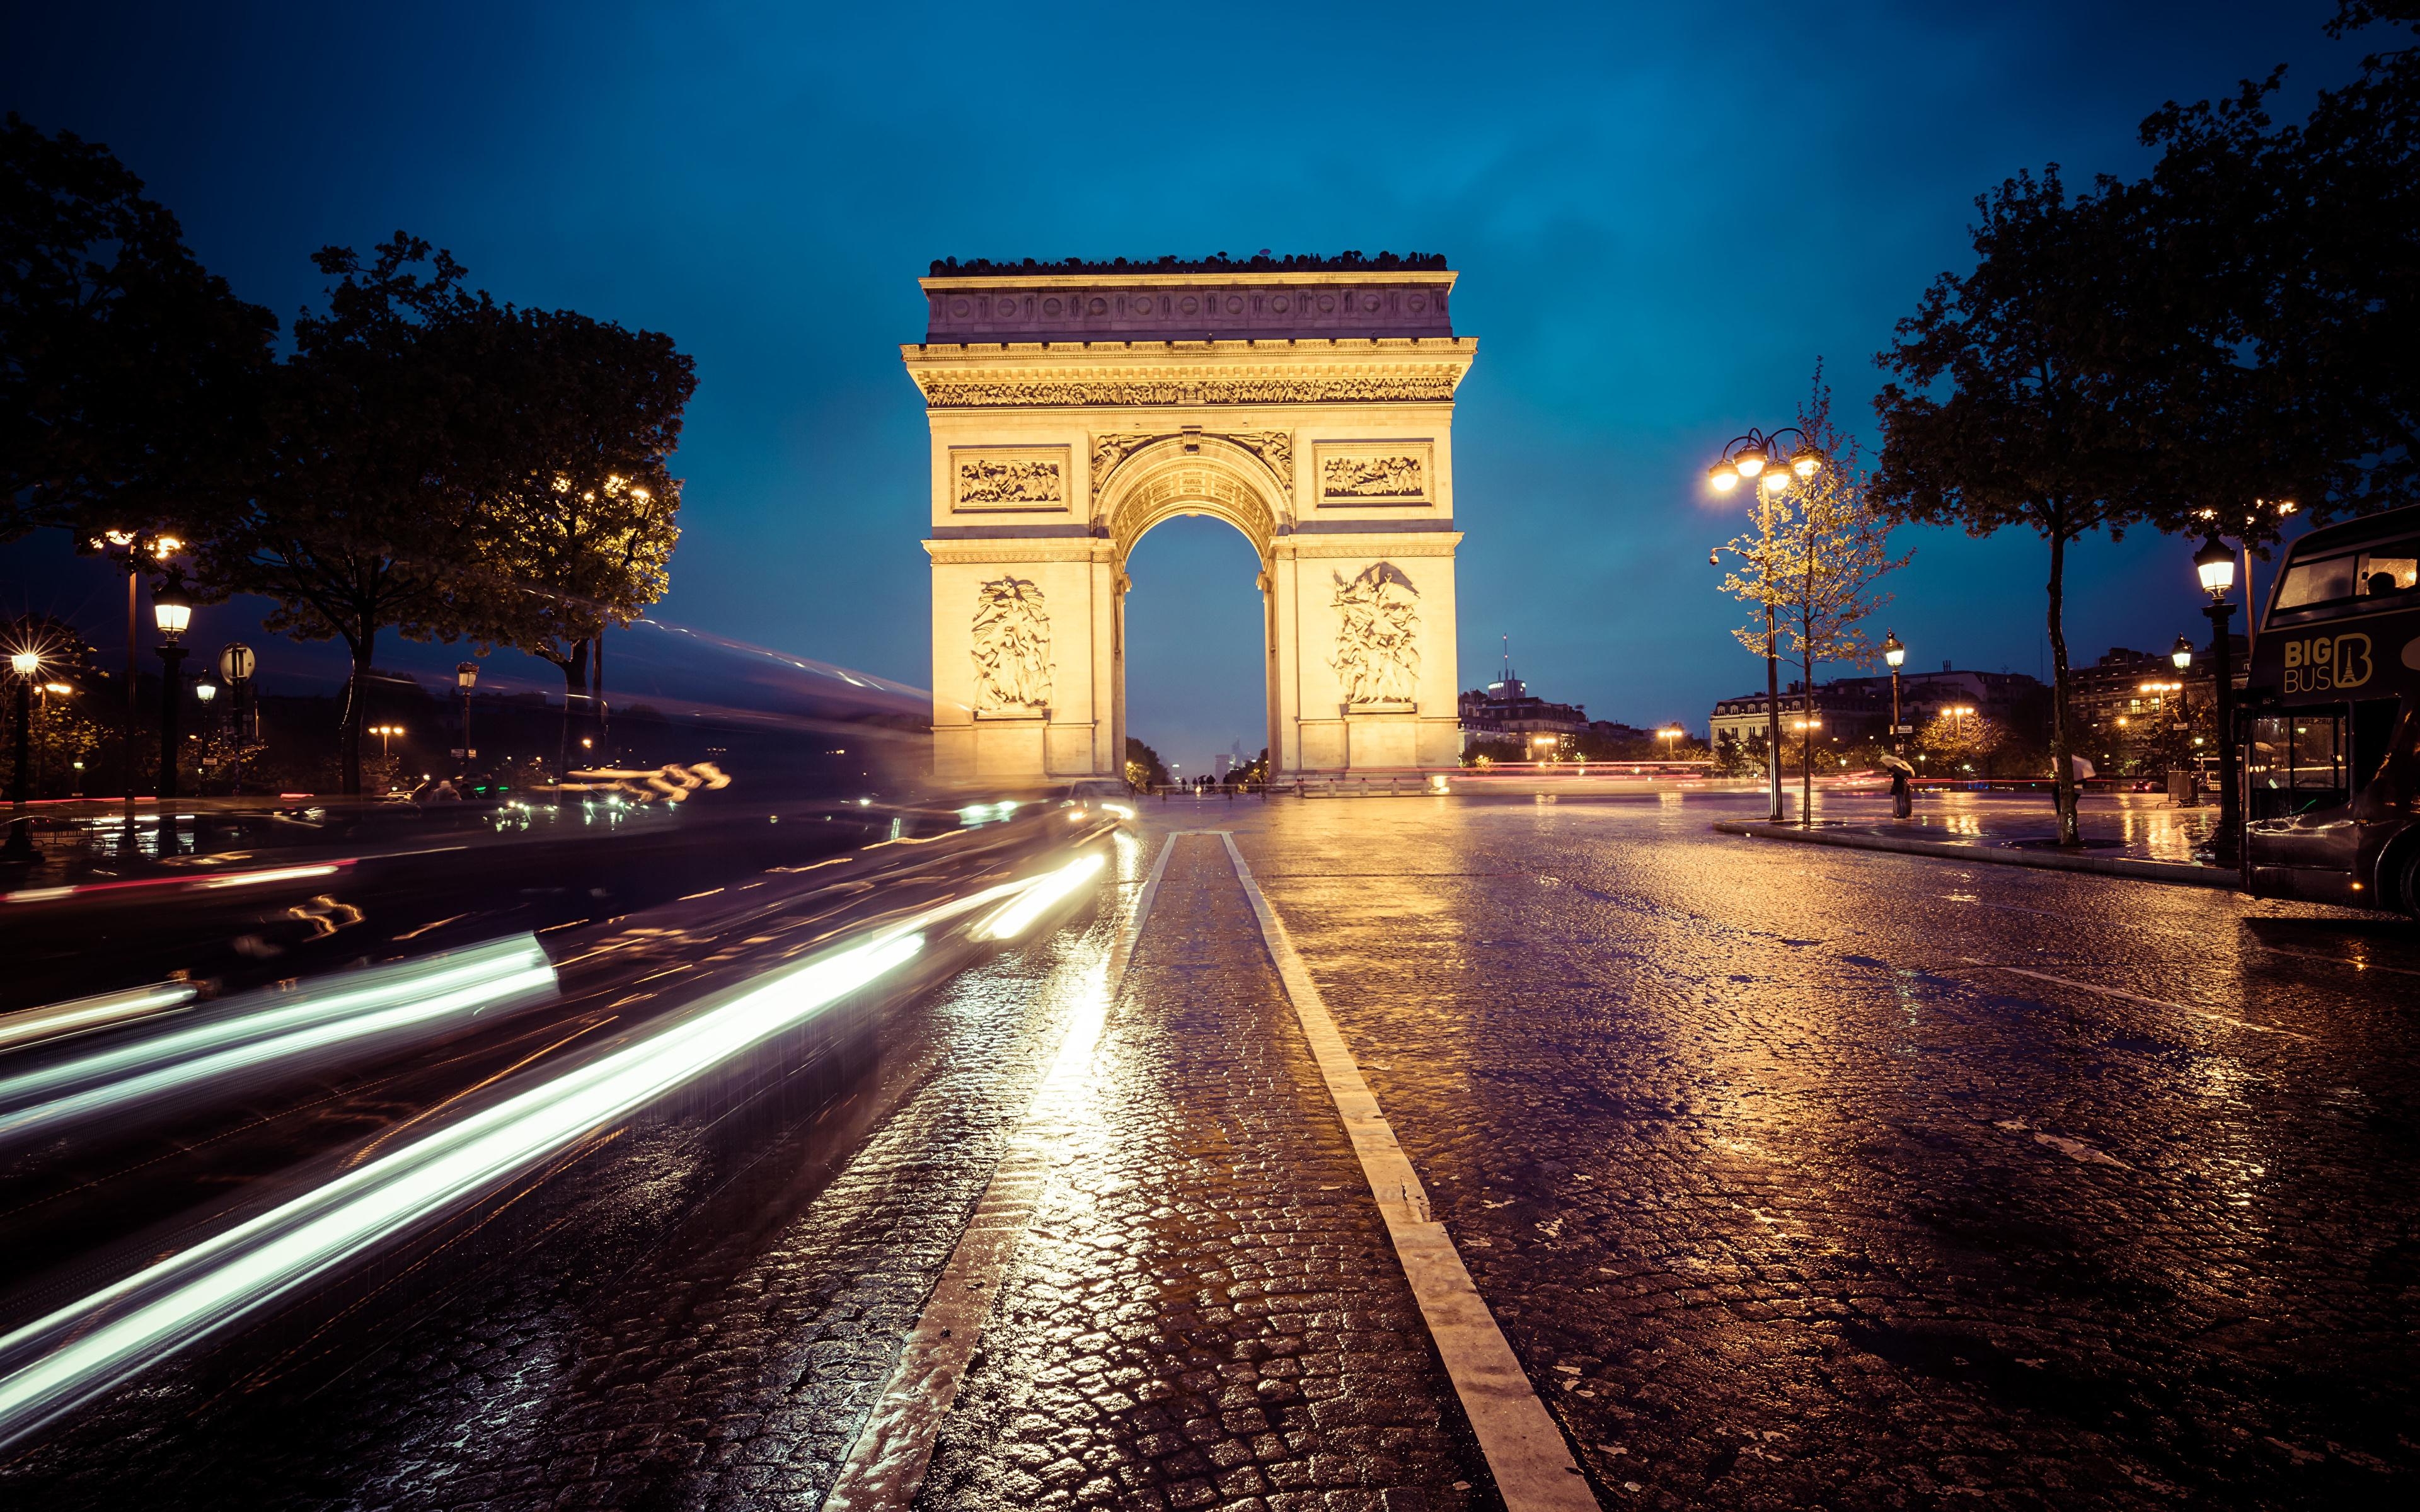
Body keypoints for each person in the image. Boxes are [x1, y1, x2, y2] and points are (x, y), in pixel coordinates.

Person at [1882, 751, 1915, 819]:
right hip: (1903, 786)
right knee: (1902, 801)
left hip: (1898, 786)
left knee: (1898, 801)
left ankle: (1901, 815)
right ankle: (1903, 815)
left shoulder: (1897, 769)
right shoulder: (1903, 770)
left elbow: (1889, 769)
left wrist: (1893, 774)